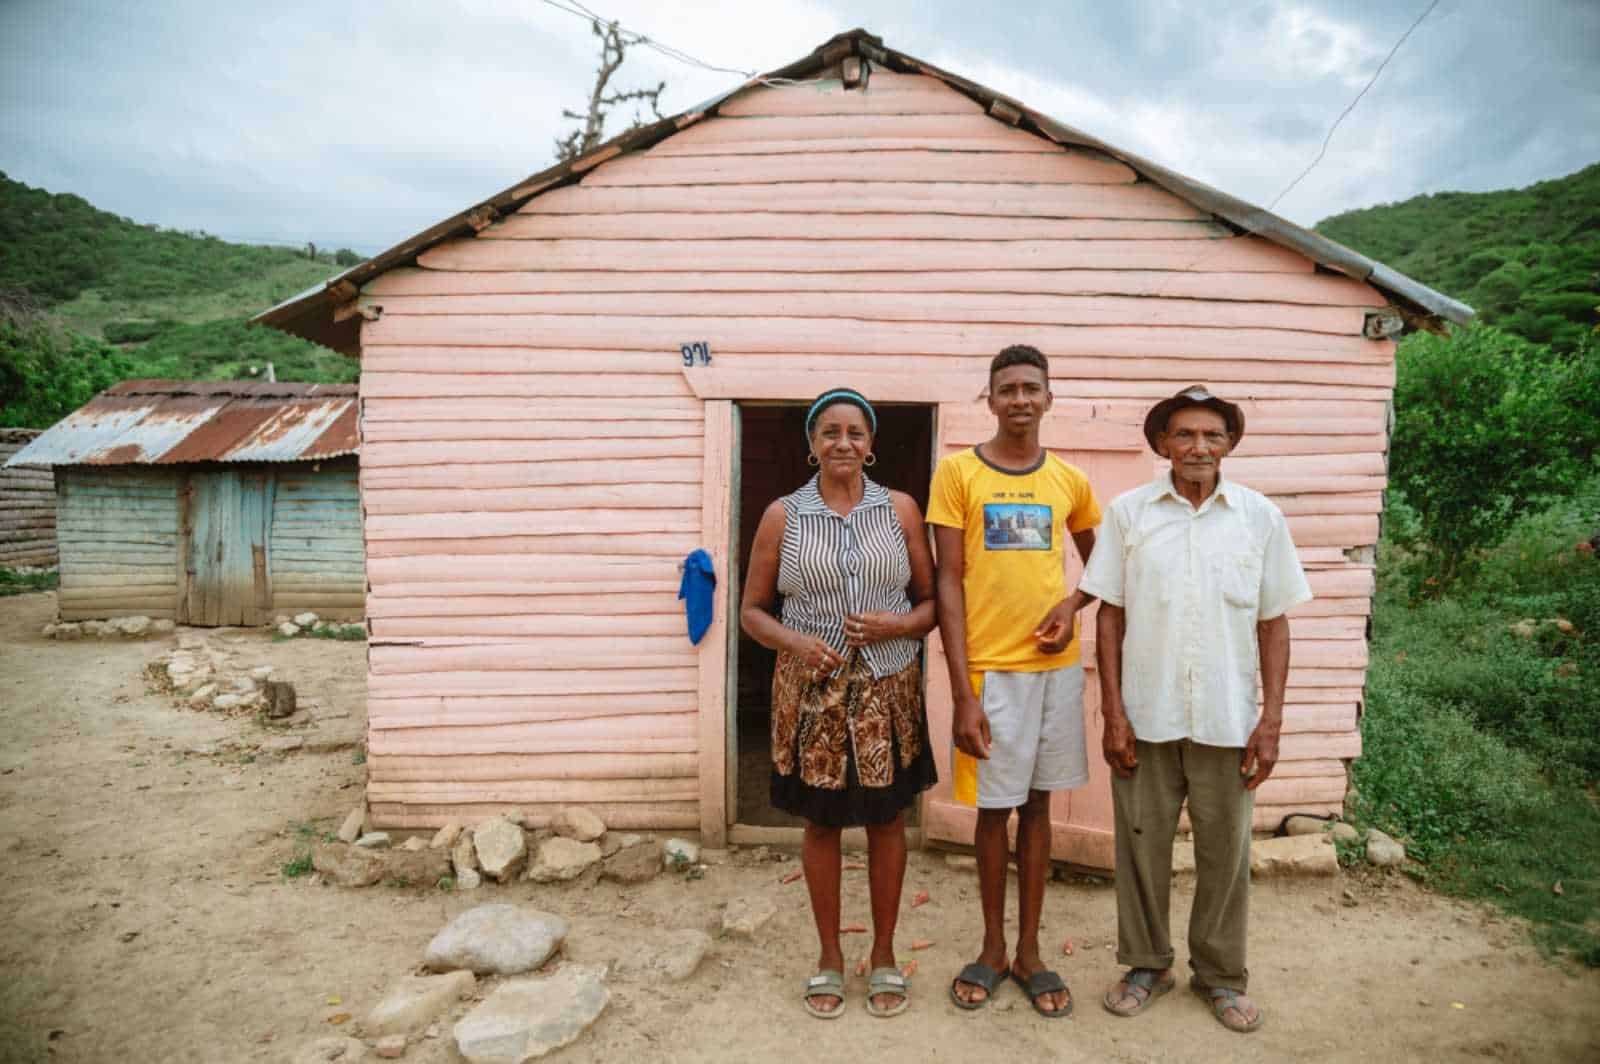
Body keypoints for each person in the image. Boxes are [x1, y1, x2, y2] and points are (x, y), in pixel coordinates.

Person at [1078, 385, 1312, 1035]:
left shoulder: (1259, 517)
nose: (1198, 447)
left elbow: (1275, 622)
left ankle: (1220, 976)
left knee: (1226, 854)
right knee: (1141, 848)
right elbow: (1110, 614)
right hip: (1146, 715)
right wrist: (1114, 713)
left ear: (1230, 443)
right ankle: (1147, 965)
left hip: (1227, 717)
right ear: (1161, 445)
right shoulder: (1129, 514)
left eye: (1212, 435)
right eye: (1184, 435)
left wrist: (1271, 721)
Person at [740, 387, 939, 1020]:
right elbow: (750, 612)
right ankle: (828, 956)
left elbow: (933, 604)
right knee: (821, 823)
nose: (843, 443)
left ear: (872, 445)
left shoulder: (901, 511)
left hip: (888, 690)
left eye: (855, 432)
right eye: (830, 432)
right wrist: (797, 641)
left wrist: (897, 626)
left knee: (886, 821)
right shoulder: (783, 516)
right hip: (812, 699)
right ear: (812, 444)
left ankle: (882, 953)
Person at [927, 345, 1102, 1019]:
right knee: (992, 812)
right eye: (1008, 389)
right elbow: (946, 580)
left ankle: (1030, 952)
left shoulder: (1069, 481)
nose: (1021, 399)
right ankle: (992, 947)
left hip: (1054, 673)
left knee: (1038, 811)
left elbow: (1104, 562)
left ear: (1049, 398)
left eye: (1032, 388)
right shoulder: (959, 473)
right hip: (990, 674)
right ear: (991, 399)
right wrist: (964, 693)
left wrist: (1072, 604)